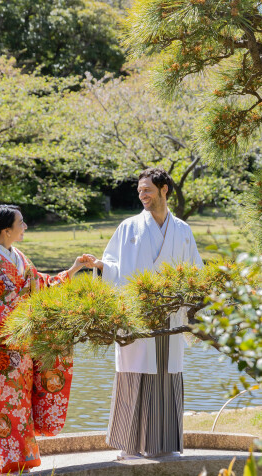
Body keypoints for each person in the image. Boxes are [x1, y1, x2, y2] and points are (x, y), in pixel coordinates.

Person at [0, 205, 96, 475]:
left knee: (20, 406)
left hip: (21, 349)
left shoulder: (20, 258)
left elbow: (40, 285)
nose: (25, 227)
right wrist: (16, 321)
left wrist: (73, 269)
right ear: (6, 230)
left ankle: (20, 463)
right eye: (21, 223)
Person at [93, 168, 203, 460]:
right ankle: (130, 447)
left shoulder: (182, 230)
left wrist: (197, 311)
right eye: (140, 191)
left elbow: (196, 272)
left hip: (171, 316)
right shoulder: (128, 227)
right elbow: (111, 265)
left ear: (164, 189)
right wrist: (102, 270)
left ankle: (164, 446)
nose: (143, 195)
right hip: (137, 317)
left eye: (148, 190)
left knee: (168, 375)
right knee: (135, 376)